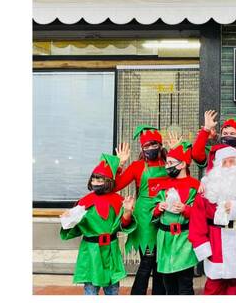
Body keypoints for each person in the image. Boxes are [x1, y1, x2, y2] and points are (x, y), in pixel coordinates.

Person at [188, 147, 236, 295]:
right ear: (217, 167)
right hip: (216, 249)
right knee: (213, 290)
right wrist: (203, 248)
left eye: (232, 162)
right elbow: (197, 223)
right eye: (225, 162)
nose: (229, 166)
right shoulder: (207, 189)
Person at [60, 153, 137, 295]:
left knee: (112, 289)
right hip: (91, 251)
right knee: (90, 289)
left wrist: (127, 212)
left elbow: (123, 225)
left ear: (108, 181)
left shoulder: (118, 200)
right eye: (94, 179)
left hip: (111, 251)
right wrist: (67, 219)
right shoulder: (84, 201)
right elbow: (73, 226)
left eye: (100, 179)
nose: (96, 182)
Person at [112, 125, 168, 295]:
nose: (150, 149)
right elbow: (115, 185)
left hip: (165, 213)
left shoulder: (169, 164)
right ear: (142, 148)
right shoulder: (137, 166)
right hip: (145, 219)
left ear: (160, 145)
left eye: (154, 145)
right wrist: (119, 164)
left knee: (161, 262)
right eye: (146, 146)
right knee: (147, 261)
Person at [151, 141, 200, 295]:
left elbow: (201, 214)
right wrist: (158, 209)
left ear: (182, 164)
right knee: (168, 283)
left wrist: (186, 209)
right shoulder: (162, 186)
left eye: (171, 163)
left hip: (185, 239)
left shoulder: (195, 186)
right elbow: (152, 212)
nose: (167, 166)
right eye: (167, 163)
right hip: (165, 239)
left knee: (185, 283)